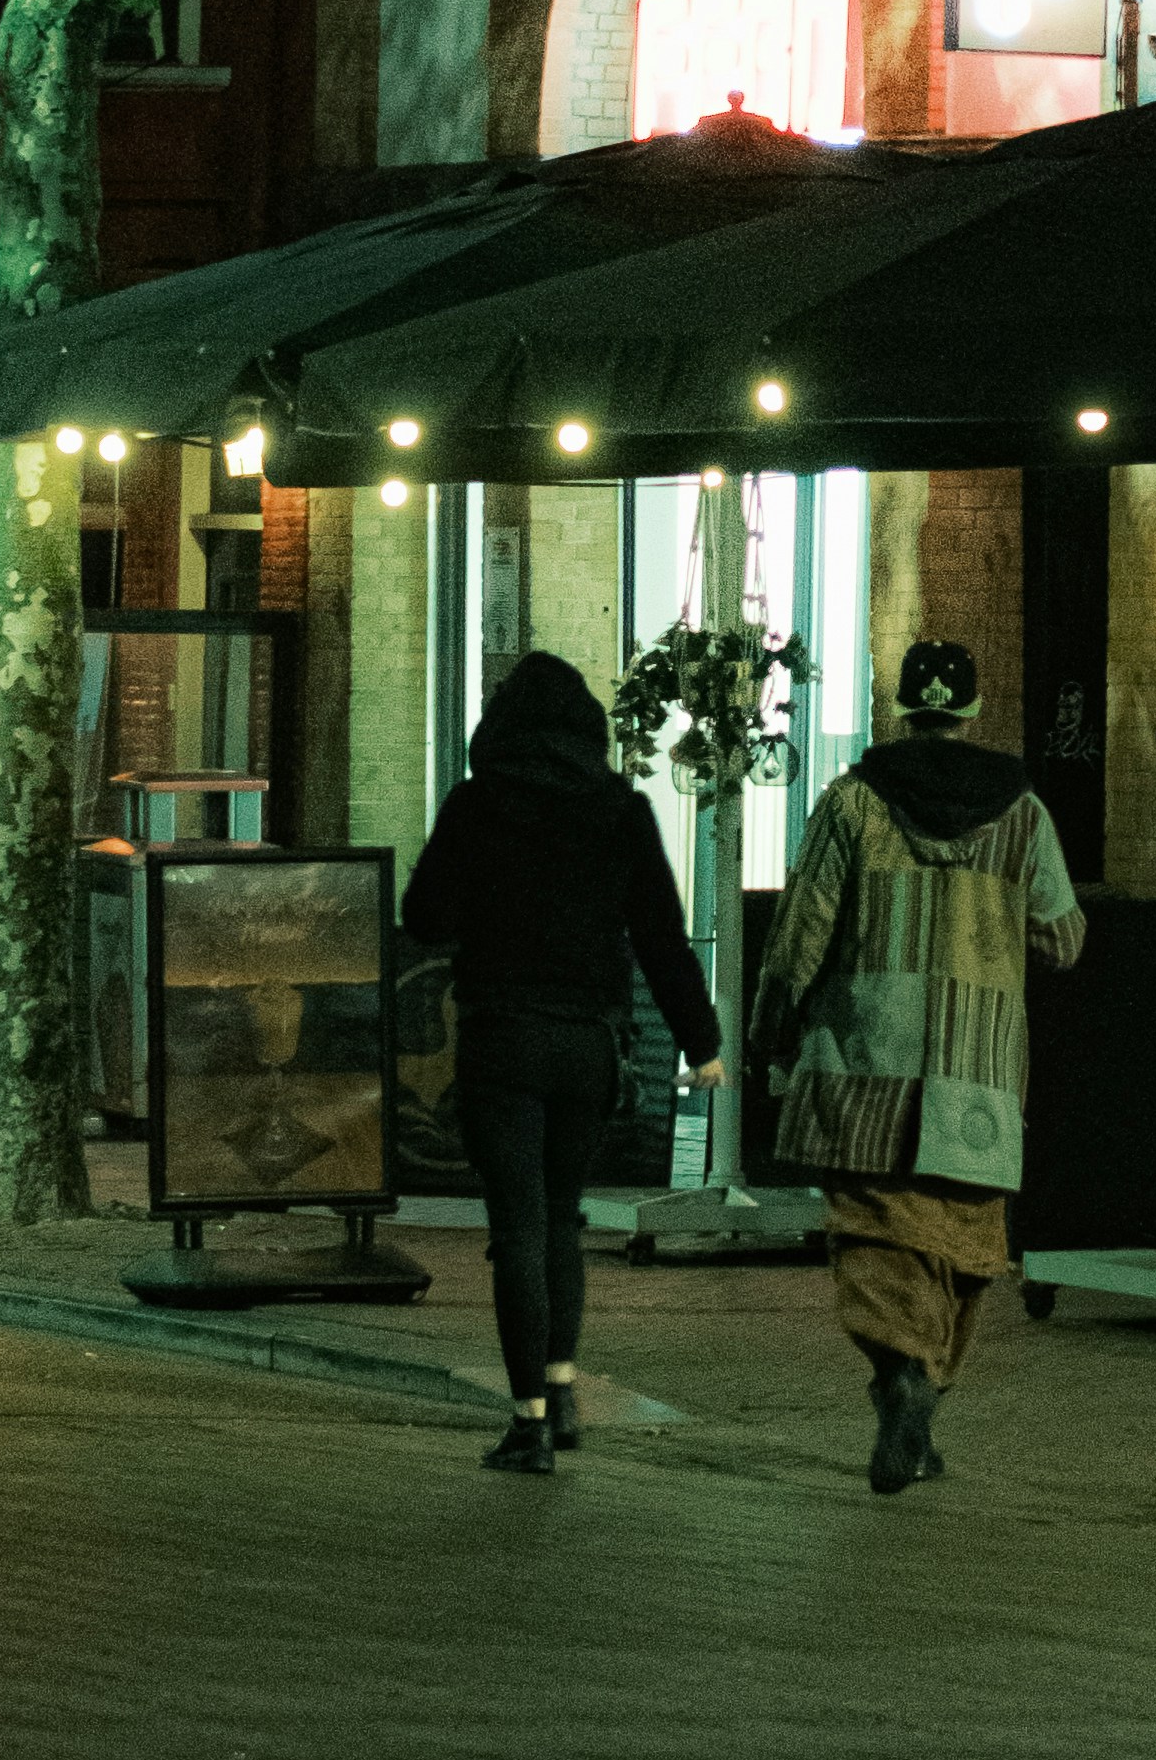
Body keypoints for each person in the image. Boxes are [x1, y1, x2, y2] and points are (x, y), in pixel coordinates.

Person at [753, 633, 1084, 1494]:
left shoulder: (852, 802)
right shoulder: (1023, 814)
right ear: (971, 712)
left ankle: (901, 1372)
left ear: (903, 707)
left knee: (874, 1233)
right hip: (979, 1073)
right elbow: (1063, 939)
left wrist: (772, 1030)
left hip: (866, 1062)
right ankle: (925, 1389)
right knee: (964, 1245)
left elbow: (801, 932)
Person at [399, 650, 719, 1478]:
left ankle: (529, 1423)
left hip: (503, 1038)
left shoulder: (476, 805)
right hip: (588, 1045)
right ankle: (564, 1386)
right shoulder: (621, 810)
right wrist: (702, 1041)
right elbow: (662, 936)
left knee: (516, 1228)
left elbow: (424, 915)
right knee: (561, 1219)